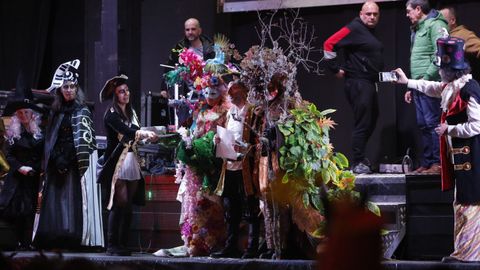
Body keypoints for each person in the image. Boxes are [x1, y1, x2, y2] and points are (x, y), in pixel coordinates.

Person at [394, 36, 480, 263]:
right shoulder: (451, 87)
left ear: (451, 70)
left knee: (470, 205)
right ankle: (462, 252)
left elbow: (477, 125)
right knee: (460, 204)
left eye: (442, 68)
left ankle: (471, 255)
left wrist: (448, 128)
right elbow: (431, 87)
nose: (439, 72)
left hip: (473, 156)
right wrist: (407, 82)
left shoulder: (469, 89)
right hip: (459, 159)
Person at [32, 61, 104, 249]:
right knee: (56, 200)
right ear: (61, 89)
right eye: (66, 87)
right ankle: (55, 236)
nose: (69, 90)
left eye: (72, 86)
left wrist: (67, 158)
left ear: (76, 88)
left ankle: (73, 237)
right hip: (57, 162)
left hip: (74, 164)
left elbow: (84, 141)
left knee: (73, 201)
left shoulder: (82, 111)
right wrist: (56, 157)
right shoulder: (55, 112)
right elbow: (50, 138)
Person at [98, 75, 158, 256]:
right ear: (115, 95)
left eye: (127, 91)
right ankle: (112, 244)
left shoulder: (131, 113)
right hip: (117, 161)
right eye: (121, 91)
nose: (126, 94)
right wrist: (145, 133)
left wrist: (151, 135)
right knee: (119, 201)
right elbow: (127, 132)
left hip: (132, 160)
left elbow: (135, 133)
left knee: (129, 203)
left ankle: (123, 243)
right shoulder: (111, 115)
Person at [323, 1, 383, 174]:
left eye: (375, 14)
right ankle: (357, 162)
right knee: (363, 121)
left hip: (369, 82)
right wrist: (334, 68)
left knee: (372, 119)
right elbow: (329, 43)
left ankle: (361, 157)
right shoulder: (354, 27)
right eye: (368, 14)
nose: (372, 17)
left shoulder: (368, 31)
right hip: (358, 82)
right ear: (361, 14)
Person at [211, 81, 261, 258]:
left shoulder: (253, 112)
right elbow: (224, 134)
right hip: (230, 164)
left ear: (244, 91)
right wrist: (217, 140)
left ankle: (252, 246)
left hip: (246, 167)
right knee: (231, 207)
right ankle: (230, 245)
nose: (230, 93)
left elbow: (259, 140)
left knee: (251, 206)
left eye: (234, 90)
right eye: (229, 90)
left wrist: (246, 148)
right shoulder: (229, 113)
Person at [0, 73, 43, 250]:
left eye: (26, 112)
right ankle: (19, 242)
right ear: (17, 115)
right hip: (17, 178)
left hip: (33, 178)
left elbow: (42, 154)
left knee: (31, 209)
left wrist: (37, 169)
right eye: (20, 113)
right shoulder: (13, 134)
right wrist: (20, 168)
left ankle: (28, 242)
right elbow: (9, 156)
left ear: (32, 114)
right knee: (18, 210)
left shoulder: (39, 133)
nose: (24, 115)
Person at [404, 0, 448, 174]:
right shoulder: (417, 28)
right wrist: (410, 86)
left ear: (418, 9)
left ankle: (438, 163)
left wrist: (427, 78)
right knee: (423, 124)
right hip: (418, 84)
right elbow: (418, 59)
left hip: (430, 84)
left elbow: (441, 54)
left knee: (432, 123)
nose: (407, 15)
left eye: (409, 11)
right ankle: (428, 162)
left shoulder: (436, 25)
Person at [162, 18, 215, 127]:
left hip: (207, 92)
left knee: (205, 123)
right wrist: (163, 87)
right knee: (186, 124)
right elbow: (169, 67)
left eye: (193, 29)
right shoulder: (180, 47)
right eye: (187, 30)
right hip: (186, 92)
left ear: (199, 30)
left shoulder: (210, 47)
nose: (190, 32)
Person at [440, 6, 480, 80]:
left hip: (459, 85)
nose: (438, 23)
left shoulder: (463, 34)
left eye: (442, 20)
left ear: (452, 20)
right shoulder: (442, 36)